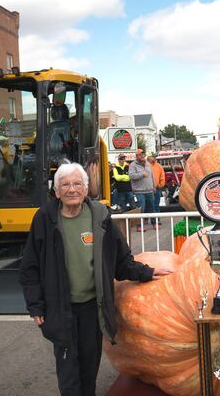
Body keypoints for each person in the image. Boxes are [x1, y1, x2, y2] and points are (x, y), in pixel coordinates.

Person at [19, 162, 173, 396]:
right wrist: (35, 305)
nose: (72, 189)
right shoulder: (44, 220)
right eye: (65, 184)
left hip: (93, 308)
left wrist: (148, 272)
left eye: (77, 183)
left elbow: (121, 262)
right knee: (69, 370)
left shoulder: (100, 217)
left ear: (86, 188)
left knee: (89, 369)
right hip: (60, 308)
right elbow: (30, 268)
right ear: (57, 191)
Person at [128, 149, 155, 231]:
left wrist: (154, 186)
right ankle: (139, 226)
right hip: (139, 191)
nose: (142, 156)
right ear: (137, 156)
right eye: (140, 155)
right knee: (141, 209)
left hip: (150, 190)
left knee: (152, 208)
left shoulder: (148, 164)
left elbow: (151, 176)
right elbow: (132, 176)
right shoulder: (133, 165)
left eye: (143, 155)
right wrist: (142, 174)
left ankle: (154, 223)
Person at [147, 154, 165, 224]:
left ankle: (156, 219)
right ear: (149, 157)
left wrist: (160, 185)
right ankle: (149, 219)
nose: (154, 158)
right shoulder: (145, 166)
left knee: (156, 204)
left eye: (154, 157)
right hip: (148, 189)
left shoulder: (159, 166)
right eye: (153, 156)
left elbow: (162, 177)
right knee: (149, 205)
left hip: (157, 189)